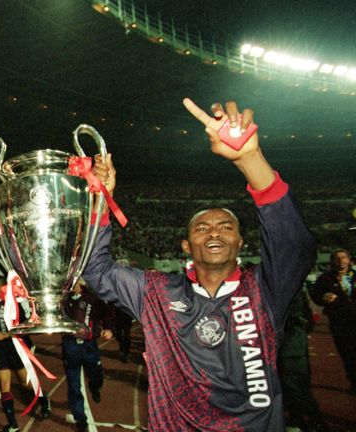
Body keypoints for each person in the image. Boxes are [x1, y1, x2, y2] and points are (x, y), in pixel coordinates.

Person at [82, 99, 316, 431]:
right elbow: (97, 270)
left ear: (240, 242)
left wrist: (250, 158)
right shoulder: (158, 293)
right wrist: (100, 200)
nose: (214, 233)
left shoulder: (265, 291)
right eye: (201, 229)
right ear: (186, 245)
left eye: (226, 227)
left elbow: (295, 245)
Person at [0, 276, 50, 432]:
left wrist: (5, 335)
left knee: (26, 383)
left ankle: (44, 401)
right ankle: (12, 425)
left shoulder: (11, 303)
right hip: (0, 350)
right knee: (4, 386)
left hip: (15, 348)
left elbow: (25, 325)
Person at [61, 279, 113, 432]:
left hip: (89, 345)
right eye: (70, 284)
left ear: (80, 283)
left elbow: (107, 313)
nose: (73, 287)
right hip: (70, 346)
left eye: (75, 283)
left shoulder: (91, 298)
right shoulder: (62, 301)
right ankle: (80, 419)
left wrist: (109, 328)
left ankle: (94, 386)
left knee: (96, 375)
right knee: (73, 383)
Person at [278, 290, 329, 432]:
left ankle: (312, 422)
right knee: (296, 386)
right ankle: (302, 420)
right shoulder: (293, 286)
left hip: (288, 346)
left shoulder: (277, 288)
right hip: (295, 343)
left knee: (295, 387)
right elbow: (308, 318)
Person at [311, 248, 356, 394]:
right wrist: (323, 297)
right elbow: (315, 294)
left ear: (349, 259)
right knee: (348, 354)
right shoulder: (325, 279)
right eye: (337, 258)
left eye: (343, 257)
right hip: (340, 323)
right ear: (332, 261)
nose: (341, 261)